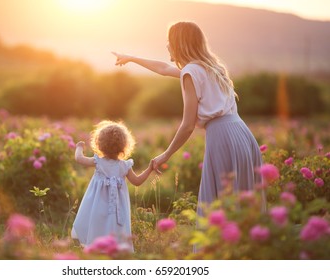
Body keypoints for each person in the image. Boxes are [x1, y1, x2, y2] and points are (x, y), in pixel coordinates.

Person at [113, 21, 264, 218]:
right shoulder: (212, 67)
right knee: (242, 202)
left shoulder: (191, 73)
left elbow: (187, 125)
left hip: (223, 137)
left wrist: (165, 155)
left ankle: (217, 248)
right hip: (242, 133)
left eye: (169, 41)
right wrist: (131, 58)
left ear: (179, 43)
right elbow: (164, 68)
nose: (167, 45)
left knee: (219, 204)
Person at [71, 120, 154, 250]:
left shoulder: (98, 162)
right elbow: (137, 181)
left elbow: (79, 159)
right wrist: (149, 169)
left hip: (97, 204)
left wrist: (79, 147)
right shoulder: (124, 166)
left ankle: (96, 247)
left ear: (99, 144)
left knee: (97, 224)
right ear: (124, 146)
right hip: (117, 208)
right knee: (116, 227)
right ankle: (115, 249)